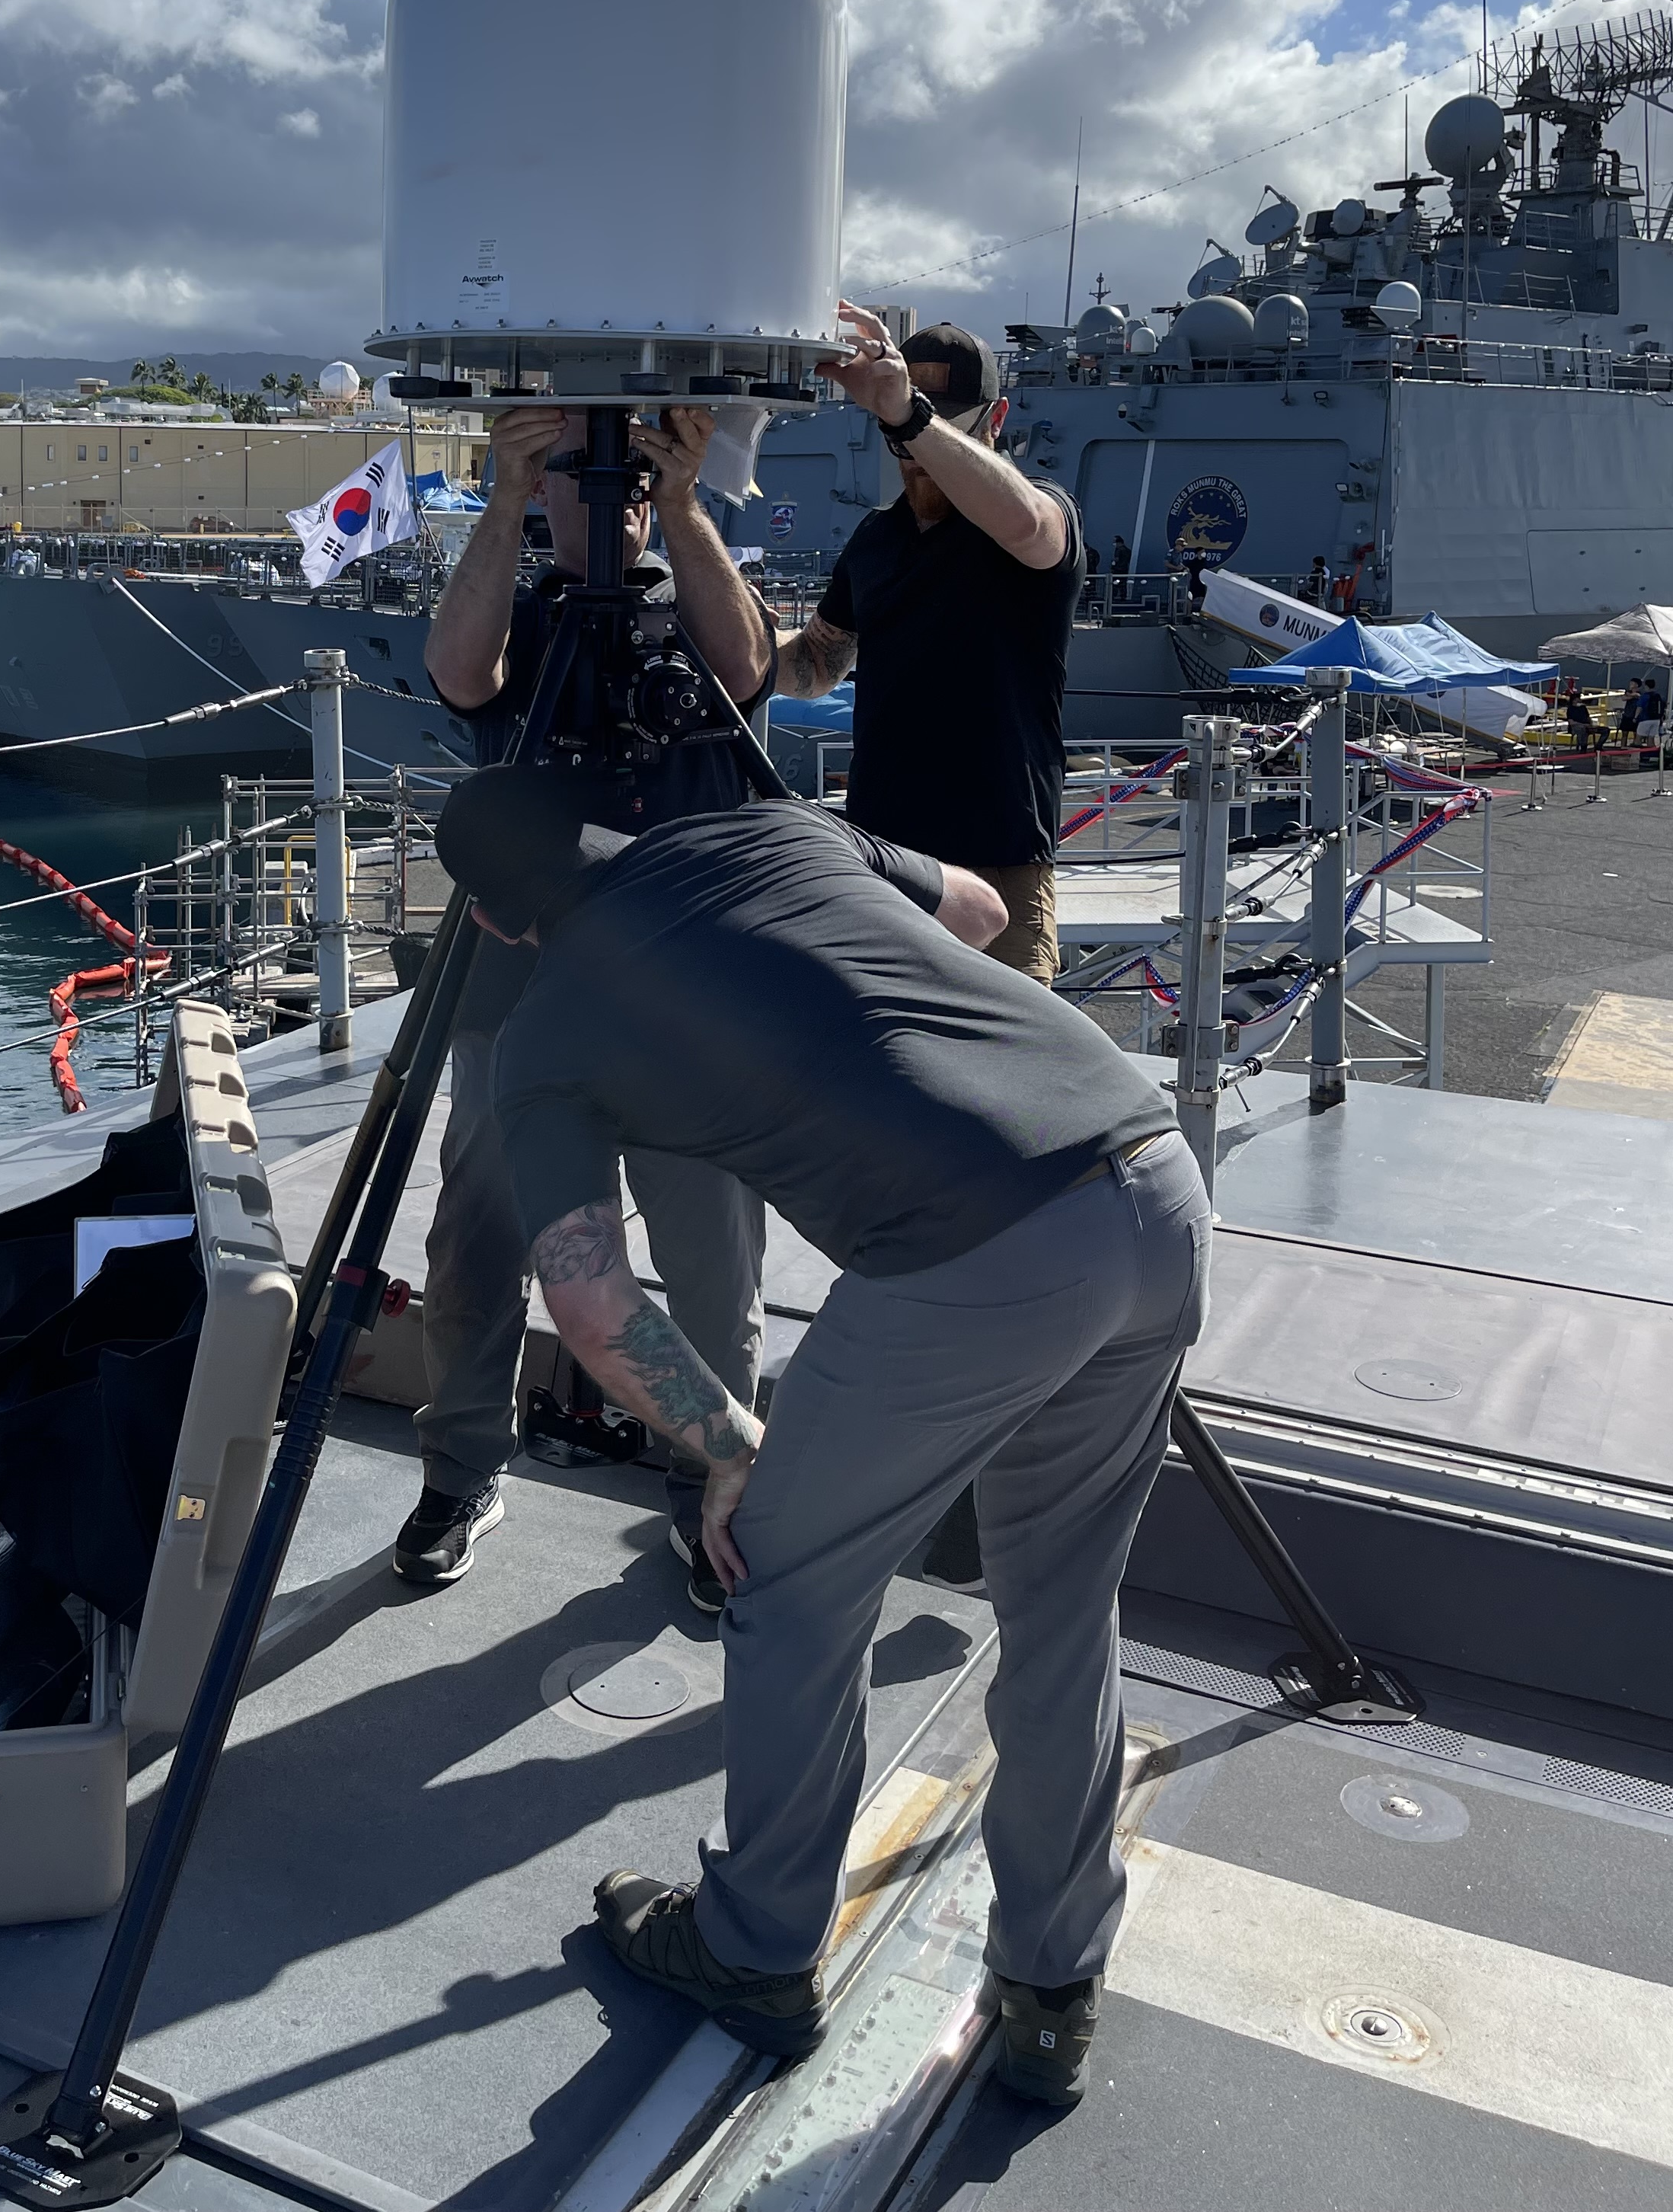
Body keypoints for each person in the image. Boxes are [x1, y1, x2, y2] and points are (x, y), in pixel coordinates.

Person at [433, 768, 1203, 2106]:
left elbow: (588, 1298)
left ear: (495, 924)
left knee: (781, 1578)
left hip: (970, 1257)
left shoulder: (545, 1032)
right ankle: (1048, 1987)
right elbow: (967, 909)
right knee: (1064, 1609)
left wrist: (735, 1450)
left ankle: (752, 1949)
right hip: (1150, 1179)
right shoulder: (766, 824)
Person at [406, 401, 778, 1607]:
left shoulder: (694, 607)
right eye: (582, 476)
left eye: (627, 481)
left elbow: (752, 670)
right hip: (519, 999)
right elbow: (460, 675)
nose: (606, 497)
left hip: (688, 1004)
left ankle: (709, 1491)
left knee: (713, 1270)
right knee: (476, 1248)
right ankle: (462, 1471)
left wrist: (680, 508)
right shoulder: (517, 616)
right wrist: (506, 496)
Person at [774, 307, 1084, 987]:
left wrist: (908, 412)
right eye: (899, 420)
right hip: (885, 865)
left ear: (995, 419)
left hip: (999, 869)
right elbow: (816, 664)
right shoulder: (876, 541)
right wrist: (733, 644)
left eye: (941, 417)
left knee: (1012, 1079)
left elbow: (1028, 525)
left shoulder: (1040, 513)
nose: (911, 440)